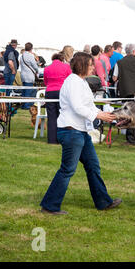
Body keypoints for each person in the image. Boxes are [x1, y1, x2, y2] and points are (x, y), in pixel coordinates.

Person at [40, 52, 121, 215]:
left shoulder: (81, 82)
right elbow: (78, 107)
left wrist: (109, 115)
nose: (93, 67)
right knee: (67, 169)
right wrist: (98, 115)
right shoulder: (73, 83)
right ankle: (49, 205)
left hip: (80, 132)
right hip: (71, 132)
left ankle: (103, 202)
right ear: (82, 65)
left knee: (93, 166)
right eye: (91, 65)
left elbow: (89, 106)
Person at [43, 52, 72, 144]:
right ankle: (62, 138)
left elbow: (45, 81)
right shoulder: (66, 67)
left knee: (51, 117)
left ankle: (52, 140)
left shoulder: (47, 68)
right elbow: (70, 79)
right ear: (62, 59)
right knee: (63, 115)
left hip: (49, 92)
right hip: (61, 92)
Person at [19, 42, 39, 109]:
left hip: (23, 75)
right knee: (28, 91)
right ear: (31, 48)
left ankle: (23, 105)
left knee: (24, 91)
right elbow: (34, 65)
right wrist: (37, 70)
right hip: (29, 75)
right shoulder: (30, 55)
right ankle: (26, 106)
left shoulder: (22, 56)